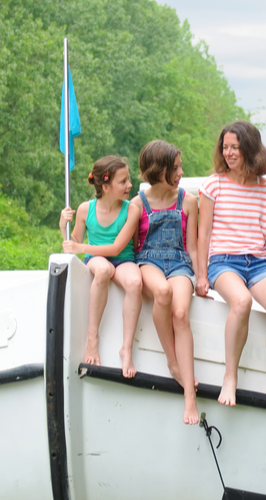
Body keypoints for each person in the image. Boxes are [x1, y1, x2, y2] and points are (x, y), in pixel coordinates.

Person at [196, 121, 266, 418]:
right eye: (225, 147)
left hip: (257, 263)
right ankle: (230, 376)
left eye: (235, 147)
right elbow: (203, 234)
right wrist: (202, 276)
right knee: (241, 302)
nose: (228, 153)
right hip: (223, 261)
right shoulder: (213, 185)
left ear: (250, 149)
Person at [59, 156, 143, 378]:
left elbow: (116, 248)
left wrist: (80, 246)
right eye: (123, 181)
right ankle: (92, 338)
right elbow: (73, 242)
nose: (129, 185)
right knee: (103, 270)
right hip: (96, 259)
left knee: (135, 282)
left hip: (123, 258)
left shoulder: (132, 210)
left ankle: (126, 348)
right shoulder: (86, 209)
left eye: (129, 180)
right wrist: (62, 225)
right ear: (106, 187)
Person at [135, 140, 200, 425]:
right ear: (159, 170)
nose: (181, 172)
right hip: (148, 259)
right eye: (176, 168)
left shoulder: (188, 201)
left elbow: (193, 247)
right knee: (161, 292)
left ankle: (190, 398)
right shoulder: (138, 204)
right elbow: (128, 243)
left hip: (179, 262)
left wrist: (203, 279)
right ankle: (172, 361)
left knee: (181, 313)